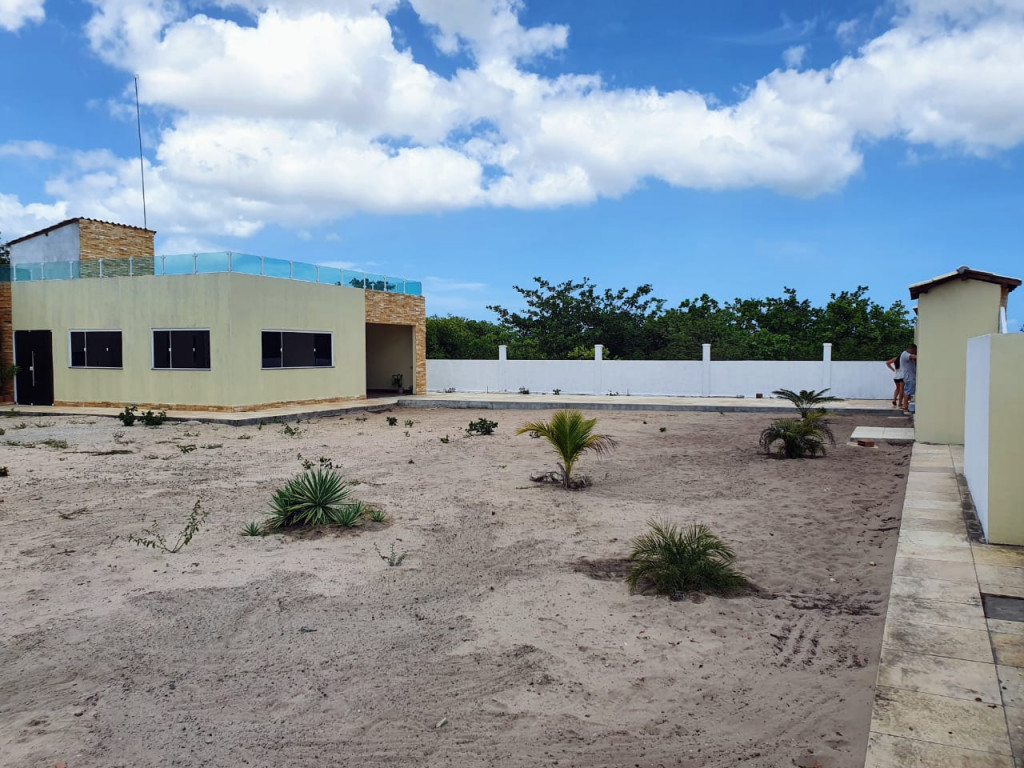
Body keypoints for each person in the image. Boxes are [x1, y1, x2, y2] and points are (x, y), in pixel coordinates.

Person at [899, 343, 917, 412]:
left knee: (908, 390)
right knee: (908, 391)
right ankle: (905, 405)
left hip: (909, 376)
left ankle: (905, 404)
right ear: (911, 349)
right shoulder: (905, 354)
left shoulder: (905, 354)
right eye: (915, 350)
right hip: (909, 376)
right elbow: (914, 357)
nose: (915, 352)